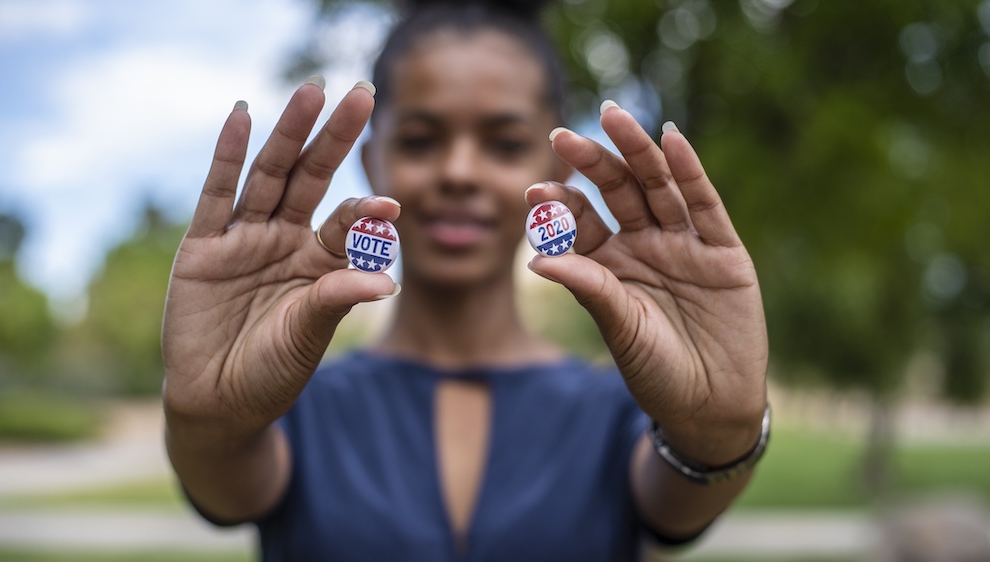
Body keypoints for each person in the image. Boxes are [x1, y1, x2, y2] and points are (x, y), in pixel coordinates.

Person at [161, 0, 770, 559]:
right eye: (422, 140)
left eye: (504, 144)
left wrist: (717, 433)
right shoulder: (287, 402)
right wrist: (210, 426)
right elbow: (230, 486)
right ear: (373, 162)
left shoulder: (624, 410)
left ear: (558, 165)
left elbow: (679, 496)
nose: (458, 172)